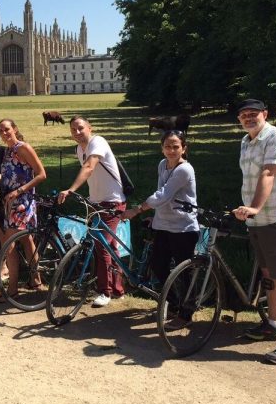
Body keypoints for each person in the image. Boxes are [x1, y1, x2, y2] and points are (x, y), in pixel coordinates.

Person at [232, 99, 276, 365]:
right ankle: (273, 324)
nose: (248, 118)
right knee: (269, 276)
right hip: (257, 219)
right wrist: (251, 211)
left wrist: (254, 207)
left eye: (253, 114)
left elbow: (269, 173)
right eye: (244, 115)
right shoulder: (245, 141)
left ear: (265, 114)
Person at [121, 130, 199, 328]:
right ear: (162, 148)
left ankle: (187, 312)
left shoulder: (184, 170)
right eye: (167, 146)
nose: (171, 150)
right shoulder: (162, 165)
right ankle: (173, 302)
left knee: (184, 271)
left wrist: (138, 209)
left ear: (184, 148)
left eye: (176, 146)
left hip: (183, 227)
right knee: (158, 266)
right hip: (163, 225)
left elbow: (164, 195)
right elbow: (160, 193)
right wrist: (155, 215)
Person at [58, 116, 126, 307]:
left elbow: (89, 167)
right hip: (96, 203)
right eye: (73, 130)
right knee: (110, 247)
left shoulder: (98, 142)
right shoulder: (79, 149)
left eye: (80, 128)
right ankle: (118, 289)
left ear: (90, 128)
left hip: (113, 203)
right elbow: (93, 177)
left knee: (101, 246)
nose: (77, 132)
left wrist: (71, 189)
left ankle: (106, 291)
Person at [0, 118, 46, 303]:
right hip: (11, 201)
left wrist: (19, 191)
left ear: (14, 129)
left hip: (22, 202)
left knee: (9, 244)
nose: (4, 132)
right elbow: (12, 174)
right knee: (26, 240)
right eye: (1, 130)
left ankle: (13, 289)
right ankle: (36, 280)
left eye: (7, 129)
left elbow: (41, 174)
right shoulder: (8, 151)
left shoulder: (23, 147)